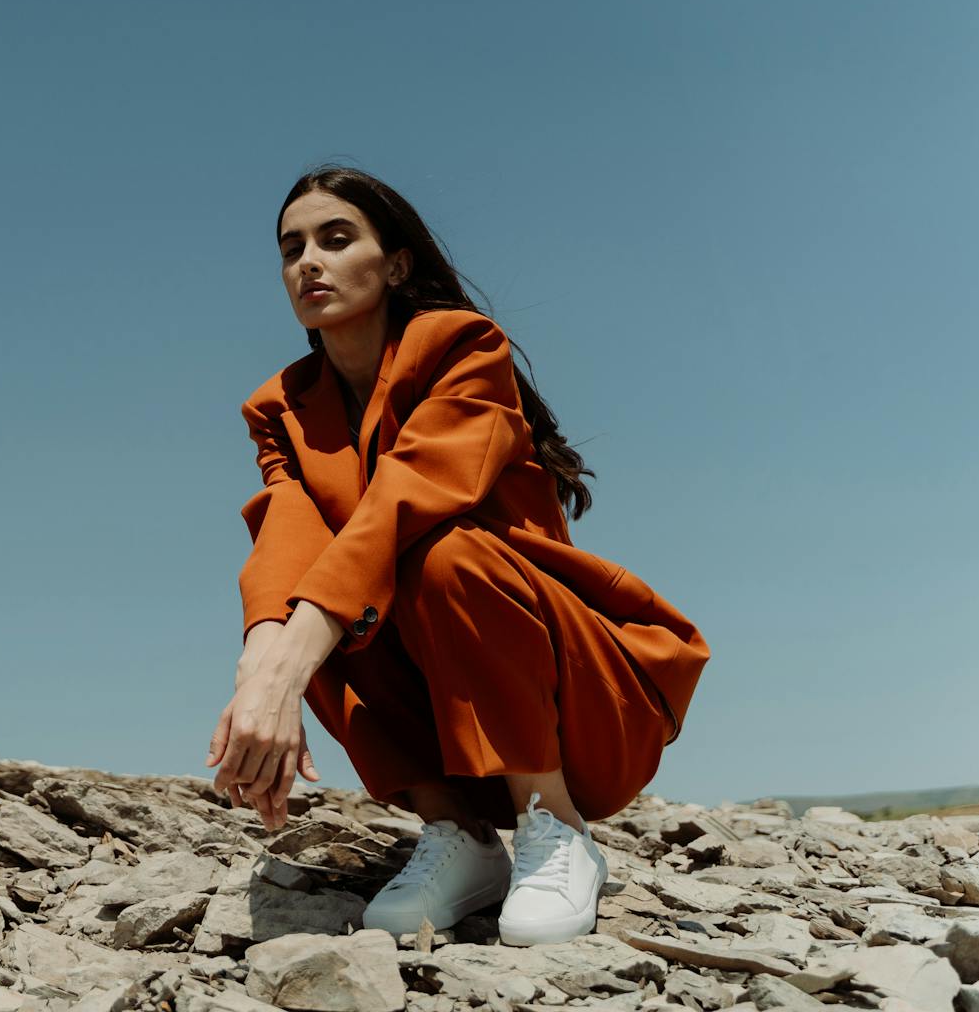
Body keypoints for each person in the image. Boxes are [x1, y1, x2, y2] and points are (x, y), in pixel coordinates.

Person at [207, 166, 710, 947]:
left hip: (575, 701)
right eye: (291, 248)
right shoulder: (280, 407)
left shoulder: (464, 348)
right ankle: (461, 839)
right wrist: (261, 668)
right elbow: (287, 529)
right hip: (440, 717)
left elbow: (405, 498)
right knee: (310, 595)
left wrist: (285, 670)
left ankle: (554, 827)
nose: (308, 261)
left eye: (336, 239)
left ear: (397, 264)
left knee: (436, 556)